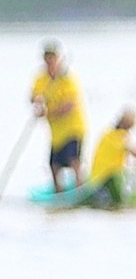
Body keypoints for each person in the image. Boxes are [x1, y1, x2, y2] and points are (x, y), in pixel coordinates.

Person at [32, 42, 85, 194]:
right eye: (47, 59)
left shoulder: (67, 78)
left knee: (72, 160)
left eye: (52, 59)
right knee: (54, 164)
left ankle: (79, 188)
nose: (50, 62)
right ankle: (58, 191)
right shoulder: (42, 79)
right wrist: (37, 101)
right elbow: (33, 95)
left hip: (73, 127)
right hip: (56, 132)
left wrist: (49, 112)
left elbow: (70, 106)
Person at [67, 107, 134, 208]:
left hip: (95, 177)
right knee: (121, 201)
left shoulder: (107, 133)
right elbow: (132, 150)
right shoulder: (120, 136)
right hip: (107, 178)